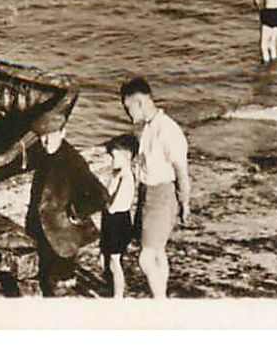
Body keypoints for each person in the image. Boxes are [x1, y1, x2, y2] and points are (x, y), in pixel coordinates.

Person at [22, 109, 107, 296]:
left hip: (63, 238)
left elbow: (99, 195)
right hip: (42, 231)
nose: (46, 143)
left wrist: (76, 214)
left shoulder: (73, 161)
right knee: (44, 279)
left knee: (59, 285)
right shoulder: (45, 154)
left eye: (50, 137)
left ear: (63, 133)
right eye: (42, 138)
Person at [120, 78, 190, 299]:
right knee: (157, 251)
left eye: (128, 107)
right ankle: (162, 295)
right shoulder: (149, 127)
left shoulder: (167, 130)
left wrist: (185, 202)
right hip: (147, 195)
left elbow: (181, 171)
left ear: (140, 102)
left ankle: (160, 303)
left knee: (146, 258)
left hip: (161, 195)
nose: (127, 113)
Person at [100, 134, 140, 298]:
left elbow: (114, 206)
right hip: (110, 221)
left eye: (114, 157)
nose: (111, 161)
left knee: (114, 262)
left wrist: (103, 203)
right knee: (105, 259)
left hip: (118, 222)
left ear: (126, 157)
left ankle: (118, 296)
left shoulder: (127, 178)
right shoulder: (118, 174)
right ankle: (112, 289)